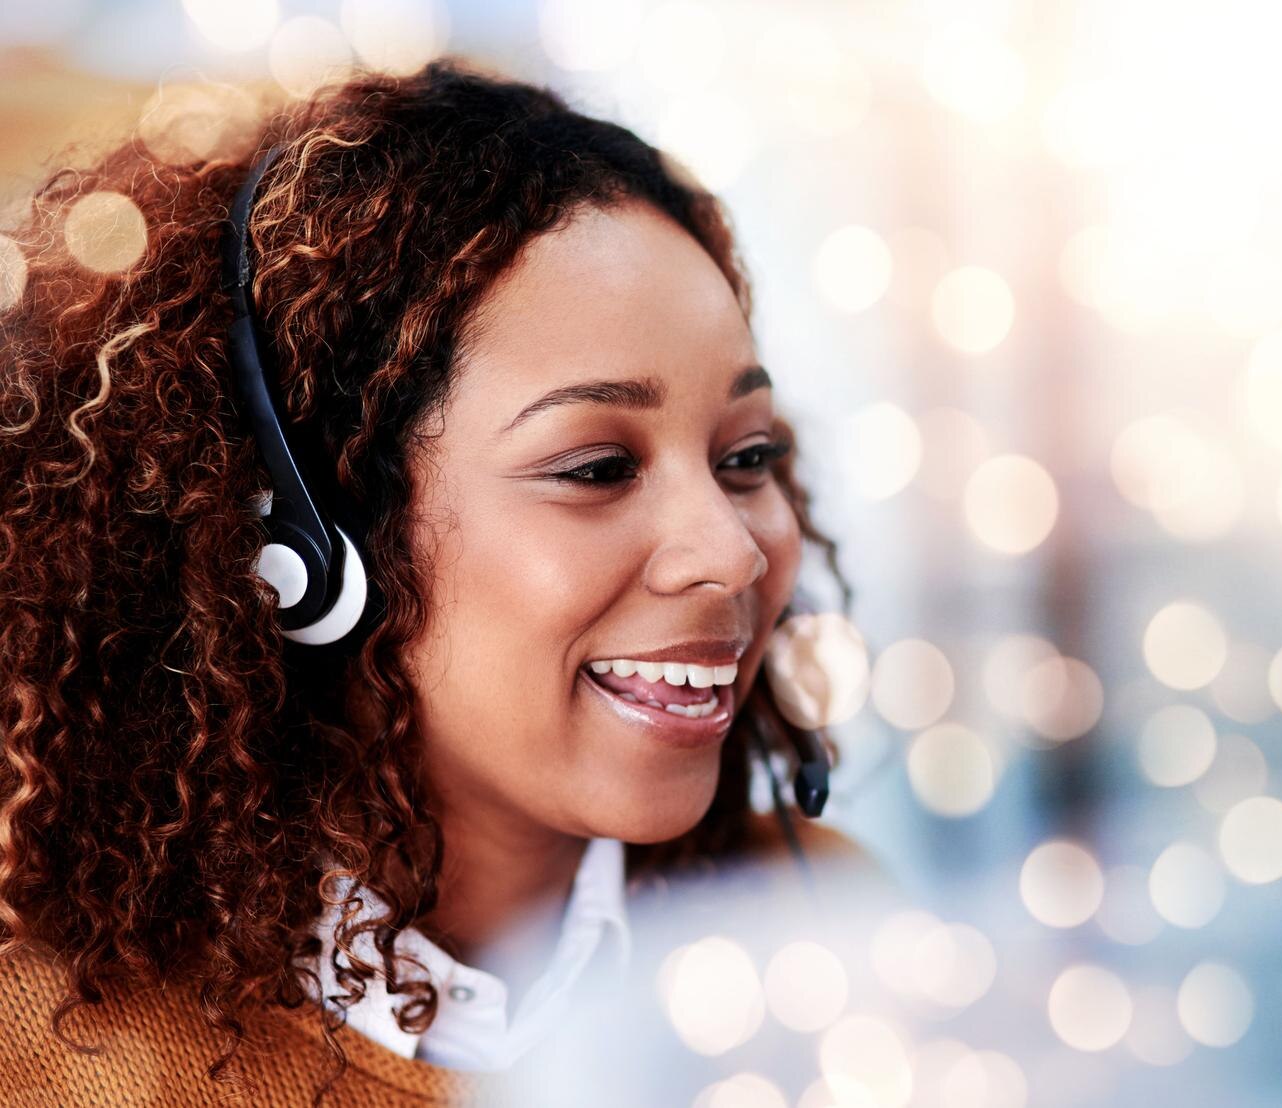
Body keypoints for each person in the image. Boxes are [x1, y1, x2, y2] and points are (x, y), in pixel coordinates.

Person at [0, 57, 866, 1105]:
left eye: (746, 455)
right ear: (307, 555)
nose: (731, 552)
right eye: (596, 468)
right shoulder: (48, 1062)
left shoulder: (836, 942)